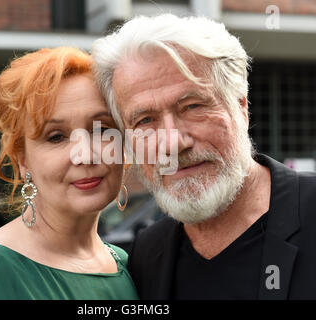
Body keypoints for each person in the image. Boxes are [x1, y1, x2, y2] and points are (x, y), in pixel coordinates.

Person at [92, 14, 316, 299]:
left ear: (241, 108)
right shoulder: (145, 257)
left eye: (192, 107)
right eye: (145, 120)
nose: (172, 143)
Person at [0, 47, 138, 300]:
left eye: (101, 129)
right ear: (23, 160)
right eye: (56, 137)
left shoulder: (129, 266)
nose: (85, 154)